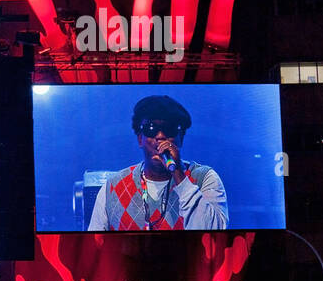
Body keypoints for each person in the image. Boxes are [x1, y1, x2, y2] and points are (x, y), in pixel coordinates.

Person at [87, 94, 228, 231]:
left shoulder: (205, 179)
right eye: (151, 129)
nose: (160, 136)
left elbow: (214, 236)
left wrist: (178, 173)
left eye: (170, 129)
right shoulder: (112, 186)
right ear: (140, 138)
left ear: (181, 137)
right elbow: (94, 244)